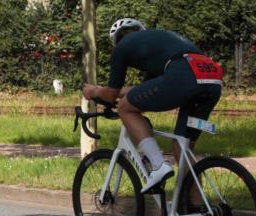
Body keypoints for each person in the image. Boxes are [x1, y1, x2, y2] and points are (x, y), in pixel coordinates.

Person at [82, 18, 223, 196]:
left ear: (117, 40)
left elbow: (111, 94)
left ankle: (159, 165)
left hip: (184, 76)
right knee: (182, 148)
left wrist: (94, 92)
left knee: (125, 108)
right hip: (211, 79)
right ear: (141, 31)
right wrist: (118, 95)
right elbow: (143, 93)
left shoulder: (121, 48)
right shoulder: (157, 44)